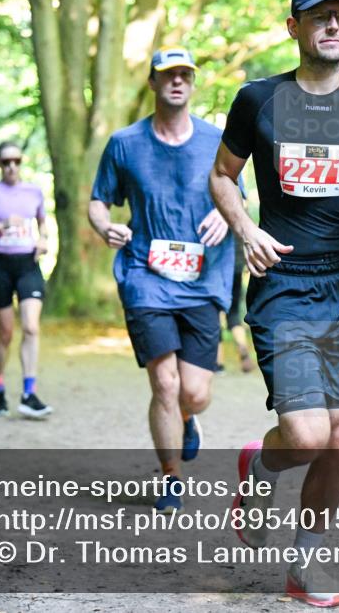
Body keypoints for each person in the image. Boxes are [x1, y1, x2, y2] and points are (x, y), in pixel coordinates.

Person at [210, 0, 339, 607]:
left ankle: (306, 566)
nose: (333, 26)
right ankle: (259, 465)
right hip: (284, 285)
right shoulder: (258, 100)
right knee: (306, 437)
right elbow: (222, 176)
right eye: (319, 17)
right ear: (293, 27)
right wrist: (245, 228)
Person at [88, 46, 235, 512]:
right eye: (167, 75)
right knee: (165, 384)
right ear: (152, 83)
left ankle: (189, 418)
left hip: (203, 277)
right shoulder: (125, 143)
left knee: (194, 391)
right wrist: (103, 225)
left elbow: (237, 196)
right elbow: (98, 201)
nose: (176, 82)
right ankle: (171, 476)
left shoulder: (218, 140)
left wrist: (228, 218)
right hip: (145, 275)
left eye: (185, 75)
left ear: (193, 84)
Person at [0, 142, 52, 419]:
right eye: (5, 162)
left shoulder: (34, 192)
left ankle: (29, 393)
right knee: (5, 334)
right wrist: (1, 225)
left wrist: (43, 240)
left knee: (30, 327)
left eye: (16, 160)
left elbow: (43, 223)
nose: (11, 166)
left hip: (28, 264)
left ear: (21, 162)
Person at [216, 237, 256, 373]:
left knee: (215, 313)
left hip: (218, 267)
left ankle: (218, 363)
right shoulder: (241, 216)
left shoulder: (214, 216)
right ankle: (242, 346)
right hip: (237, 267)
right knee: (233, 313)